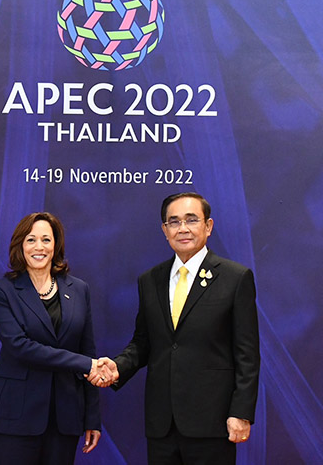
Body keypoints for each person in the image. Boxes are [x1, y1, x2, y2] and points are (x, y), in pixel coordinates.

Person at [93, 192, 259, 464]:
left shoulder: (235, 278)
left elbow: (247, 354)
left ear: (208, 226)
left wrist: (241, 412)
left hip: (212, 422)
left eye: (191, 220)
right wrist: (118, 367)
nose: (182, 228)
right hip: (162, 424)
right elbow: (143, 342)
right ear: (164, 230)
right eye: (174, 222)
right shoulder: (150, 280)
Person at [0, 212, 108, 464]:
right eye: (31, 240)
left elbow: (87, 350)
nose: (39, 247)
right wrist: (87, 365)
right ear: (20, 245)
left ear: (56, 245)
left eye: (46, 240)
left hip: (65, 417)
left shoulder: (79, 289)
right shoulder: (1, 291)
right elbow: (20, 347)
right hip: (16, 415)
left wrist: (92, 418)